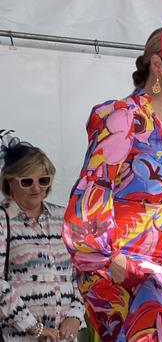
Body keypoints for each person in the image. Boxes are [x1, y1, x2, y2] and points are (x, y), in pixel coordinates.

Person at [0, 130, 85, 341]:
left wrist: (75, 315)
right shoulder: (3, 219)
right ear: (11, 181)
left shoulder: (63, 217)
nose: (37, 188)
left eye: (43, 180)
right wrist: (34, 328)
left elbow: (82, 271)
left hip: (64, 336)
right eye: (27, 181)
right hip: (19, 337)